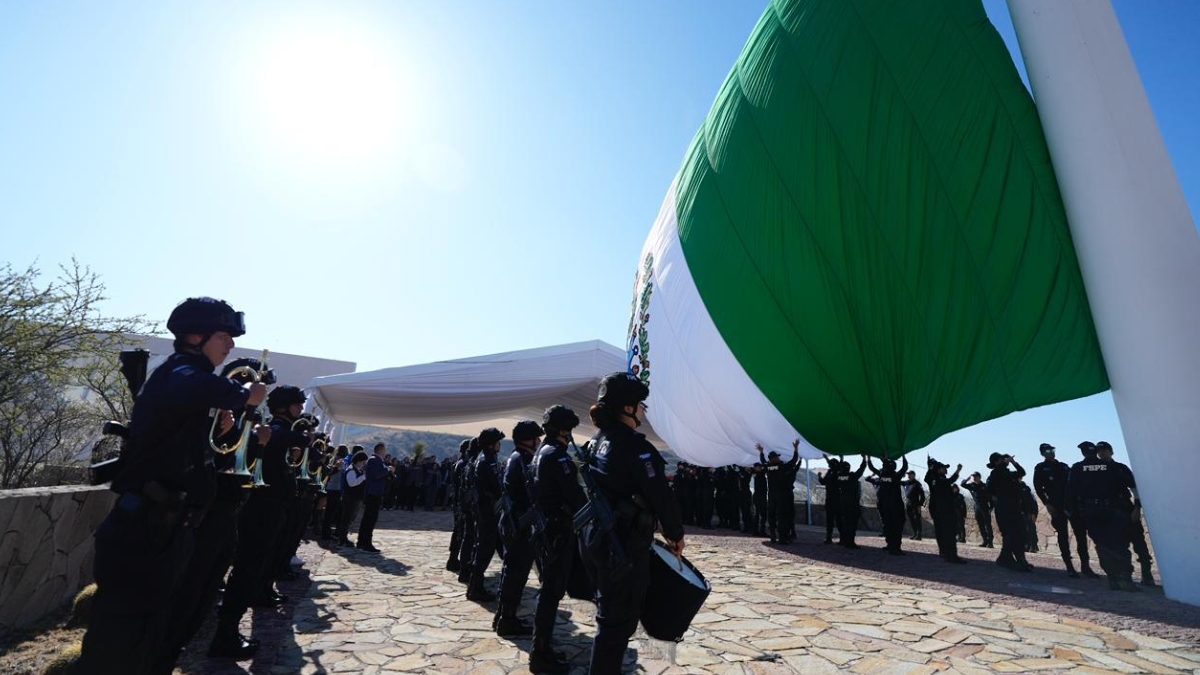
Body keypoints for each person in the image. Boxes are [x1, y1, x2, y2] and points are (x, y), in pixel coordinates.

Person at [76, 297, 263, 675]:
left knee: (149, 636)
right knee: (119, 639)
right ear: (195, 336)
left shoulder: (188, 382)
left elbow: (182, 447)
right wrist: (245, 395)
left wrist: (217, 430)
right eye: (223, 336)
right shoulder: (180, 371)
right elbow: (198, 387)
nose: (230, 345)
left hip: (167, 530)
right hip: (144, 529)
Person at [579, 373, 684, 675]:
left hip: (596, 538)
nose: (642, 411)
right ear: (627, 408)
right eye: (640, 405)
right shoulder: (634, 446)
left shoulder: (595, 442)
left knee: (611, 616)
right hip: (621, 545)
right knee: (616, 623)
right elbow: (660, 496)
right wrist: (675, 534)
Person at [211, 385, 308, 657]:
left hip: (271, 506)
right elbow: (276, 439)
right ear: (284, 407)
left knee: (258, 563)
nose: (300, 409)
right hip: (262, 506)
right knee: (248, 566)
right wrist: (300, 439)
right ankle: (225, 632)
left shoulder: (279, 429)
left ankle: (230, 628)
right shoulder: (276, 428)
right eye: (296, 404)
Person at [529, 405, 587, 674]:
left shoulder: (542, 452)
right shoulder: (558, 456)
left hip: (546, 529)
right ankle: (540, 653)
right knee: (551, 593)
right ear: (564, 430)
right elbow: (575, 497)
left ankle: (542, 649)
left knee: (549, 591)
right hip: (557, 531)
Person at [1066, 440, 1139, 591]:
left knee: (1103, 546)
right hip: (1112, 509)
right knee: (1120, 544)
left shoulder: (1078, 468)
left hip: (1091, 511)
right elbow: (1128, 483)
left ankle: (1113, 578)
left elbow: (1071, 492)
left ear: (1083, 453)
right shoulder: (1109, 466)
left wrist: (1073, 512)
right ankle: (1126, 578)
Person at [493, 419, 543, 637]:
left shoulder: (517, 457)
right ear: (528, 440)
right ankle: (507, 619)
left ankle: (503, 615)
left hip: (512, 522)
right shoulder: (523, 460)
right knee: (516, 574)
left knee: (511, 571)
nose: (539, 441)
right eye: (536, 437)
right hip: (518, 525)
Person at [1096, 441, 1155, 586]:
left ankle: (1147, 575)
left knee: (1139, 543)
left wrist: (1137, 508)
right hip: (1109, 512)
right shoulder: (1096, 470)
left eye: (1104, 450)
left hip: (1126, 509)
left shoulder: (1121, 468)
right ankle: (1125, 576)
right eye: (1099, 451)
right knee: (1118, 546)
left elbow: (1135, 488)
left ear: (1111, 451)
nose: (1102, 453)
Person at [467, 427, 506, 601]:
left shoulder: (489, 459)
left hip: (489, 510)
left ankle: (476, 586)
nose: (499, 445)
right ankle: (475, 588)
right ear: (490, 444)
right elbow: (495, 487)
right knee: (484, 549)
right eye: (497, 442)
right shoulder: (486, 461)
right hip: (487, 511)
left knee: (488, 548)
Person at [1033, 443, 1080, 577]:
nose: (1051, 452)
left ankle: (1085, 565)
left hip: (1071, 504)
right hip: (1056, 505)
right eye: (1048, 450)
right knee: (1063, 534)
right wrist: (1047, 504)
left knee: (1080, 533)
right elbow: (1038, 488)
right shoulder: (1041, 468)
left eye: (1052, 449)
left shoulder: (1063, 466)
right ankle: (1069, 565)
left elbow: (1073, 483)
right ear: (1042, 453)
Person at [986, 452, 1031, 572]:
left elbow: (1022, 472)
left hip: (1015, 507)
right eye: (1001, 459)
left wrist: (1013, 462)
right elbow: (991, 489)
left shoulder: (1008, 473)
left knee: (1019, 534)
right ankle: (1005, 559)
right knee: (1010, 534)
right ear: (996, 462)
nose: (1004, 461)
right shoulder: (995, 473)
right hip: (1004, 508)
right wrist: (1005, 462)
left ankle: (1020, 560)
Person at [924, 458, 966, 564]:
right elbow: (950, 481)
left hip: (939, 508)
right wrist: (958, 470)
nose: (946, 470)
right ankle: (951, 555)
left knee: (942, 531)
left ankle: (945, 552)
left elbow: (928, 479)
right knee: (949, 532)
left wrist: (930, 467)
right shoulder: (938, 479)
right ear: (938, 469)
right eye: (943, 468)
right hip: (944, 509)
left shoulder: (934, 479)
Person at [758, 440, 800, 544]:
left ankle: (773, 536)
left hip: (771, 495)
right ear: (773, 458)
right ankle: (782, 538)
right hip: (782, 495)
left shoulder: (768, 467)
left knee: (771, 515)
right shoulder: (781, 467)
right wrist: (795, 449)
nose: (779, 458)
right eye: (777, 457)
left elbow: (763, 461)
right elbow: (793, 461)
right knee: (782, 516)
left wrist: (761, 452)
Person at [866, 455, 908, 555]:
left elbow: (871, 468)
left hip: (885, 505)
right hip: (896, 506)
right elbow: (905, 467)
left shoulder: (881, 475)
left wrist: (868, 458)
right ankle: (896, 548)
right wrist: (903, 456)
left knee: (888, 525)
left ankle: (890, 545)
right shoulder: (896, 475)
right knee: (897, 526)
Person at [357, 443, 392, 553]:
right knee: (370, 519)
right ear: (381, 450)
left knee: (368, 518)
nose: (386, 452)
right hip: (373, 493)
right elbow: (377, 475)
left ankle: (362, 541)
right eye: (385, 449)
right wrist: (388, 469)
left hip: (376, 492)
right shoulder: (374, 460)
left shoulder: (377, 460)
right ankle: (366, 543)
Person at [446, 439, 471, 572]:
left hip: (458, 501)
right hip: (461, 503)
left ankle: (453, 559)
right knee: (460, 532)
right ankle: (453, 560)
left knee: (458, 531)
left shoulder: (459, 463)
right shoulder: (464, 464)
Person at [337, 449, 369, 546]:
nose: (364, 464)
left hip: (356, 498)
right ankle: (342, 539)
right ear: (358, 461)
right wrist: (363, 477)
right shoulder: (351, 470)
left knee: (351, 518)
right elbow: (352, 483)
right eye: (363, 462)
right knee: (346, 518)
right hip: (350, 498)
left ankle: (343, 537)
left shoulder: (359, 470)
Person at [836, 455, 867, 548]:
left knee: (845, 523)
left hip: (842, 503)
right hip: (852, 504)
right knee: (852, 524)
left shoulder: (839, 476)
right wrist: (864, 459)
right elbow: (861, 469)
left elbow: (838, 469)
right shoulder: (852, 476)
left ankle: (845, 541)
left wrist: (841, 460)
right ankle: (850, 542)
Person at [321, 445, 350, 541]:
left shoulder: (333, 459)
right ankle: (326, 533)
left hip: (330, 486)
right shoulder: (342, 461)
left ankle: (326, 531)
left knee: (329, 511)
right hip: (337, 488)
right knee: (332, 511)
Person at [960, 472, 995, 548]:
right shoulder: (972, 485)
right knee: (981, 525)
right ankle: (985, 541)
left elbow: (991, 498)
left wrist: (991, 508)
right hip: (977, 507)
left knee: (987, 525)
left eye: (975, 476)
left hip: (985, 507)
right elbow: (962, 484)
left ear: (979, 477)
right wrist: (967, 479)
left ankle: (990, 542)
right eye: (973, 477)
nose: (974, 478)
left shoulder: (985, 486)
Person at [817, 456, 842, 544]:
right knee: (830, 520)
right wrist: (819, 477)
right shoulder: (830, 472)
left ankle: (842, 538)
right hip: (830, 499)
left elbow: (837, 466)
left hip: (837, 499)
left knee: (839, 520)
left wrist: (840, 459)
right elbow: (823, 482)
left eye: (830, 464)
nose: (829, 465)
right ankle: (829, 538)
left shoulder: (838, 473)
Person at [901, 470, 925, 540]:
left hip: (916, 505)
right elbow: (898, 481)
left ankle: (919, 535)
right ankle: (914, 534)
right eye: (908, 475)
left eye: (910, 474)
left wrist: (920, 504)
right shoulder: (906, 483)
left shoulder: (917, 484)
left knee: (917, 519)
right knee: (911, 520)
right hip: (908, 504)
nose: (908, 476)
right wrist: (901, 475)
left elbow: (922, 495)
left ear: (913, 475)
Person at [1020, 482, 1040, 553]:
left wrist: (1034, 513)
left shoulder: (1027, 491)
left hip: (1028, 513)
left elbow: (1033, 502)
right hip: (1024, 513)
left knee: (1031, 530)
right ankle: (1027, 546)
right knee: (1026, 530)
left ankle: (1032, 546)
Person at [751, 462, 768, 536]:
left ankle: (756, 531)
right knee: (761, 515)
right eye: (759, 467)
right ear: (755, 468)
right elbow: (766, 467)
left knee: (758, 515)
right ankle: (760, 531)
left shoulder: (755, 473)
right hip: (760, 497)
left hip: (758, 496)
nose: (761, 468)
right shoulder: (759, 474)